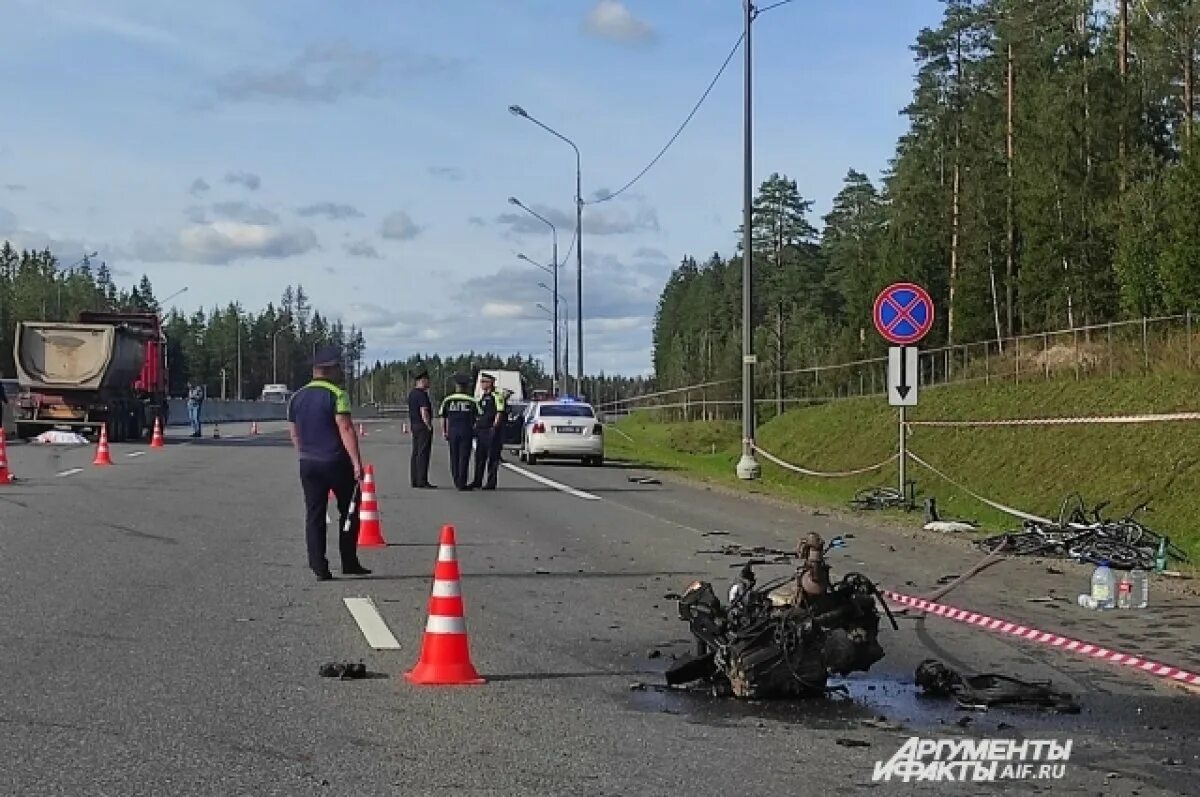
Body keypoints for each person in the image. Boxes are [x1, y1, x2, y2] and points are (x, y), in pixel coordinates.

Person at [287, 345, 371, 581]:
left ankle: (318, 565)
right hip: (335, 461)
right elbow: (345, 428)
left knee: (314, 514)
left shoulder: (296, 397)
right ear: (331, 369)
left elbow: (294, 433)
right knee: (349, 510)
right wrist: (356, 462)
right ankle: (349, 561)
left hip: (309, 462)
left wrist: (303, 454)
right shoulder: (337, 394)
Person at [439, 373, 479, 491]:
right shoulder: (472, 401)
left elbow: (442, 416)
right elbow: (478, 417)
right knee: (464, 457)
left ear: (456, 386)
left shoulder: (448, 400)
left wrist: (444, 431)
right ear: (466, 387)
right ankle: (462, 482)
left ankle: (456, 480)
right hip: (466, 431)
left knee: (454, 457)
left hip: (453, 431)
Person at [470, 373, 506, 490]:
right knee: (479, 457)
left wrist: (494, 427)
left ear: (490, 383)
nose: (481, 384)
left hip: (491, 431)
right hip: (481, 431)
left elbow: (499, 412)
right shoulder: (482, 397)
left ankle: (491, 483)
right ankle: (477, 481)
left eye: (483, 381)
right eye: (481, 381)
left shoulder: (497, 396)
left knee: (492, 458)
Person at [407, 368, 436, 489]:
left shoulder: (412, 394)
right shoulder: (422, 395)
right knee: (423, 453)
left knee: (416, 453)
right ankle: (422, 480)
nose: (428, 383)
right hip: (422, 426)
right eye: (427, 381)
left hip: (414, 425)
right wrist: (428, 425)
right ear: (422, 380)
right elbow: (424, 411)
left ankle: (415, 479)